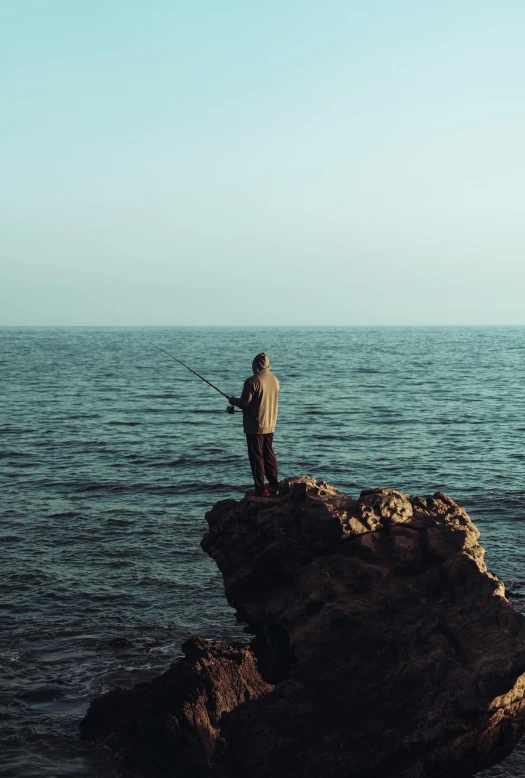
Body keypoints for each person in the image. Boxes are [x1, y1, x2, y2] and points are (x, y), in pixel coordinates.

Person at [229, 352, 280, 498]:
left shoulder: (252, 381)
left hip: (255, 426)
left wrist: (233, 401)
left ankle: (260, 490)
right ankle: (273, 485)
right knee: (268, 453)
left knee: (256, 456)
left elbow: (245, 403)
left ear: (256, 365)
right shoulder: (275, 380)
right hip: (270, 423)